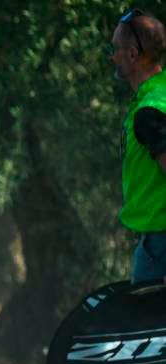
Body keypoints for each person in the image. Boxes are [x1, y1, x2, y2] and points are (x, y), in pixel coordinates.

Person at [110, 8, 166, 283]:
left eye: (115, 49)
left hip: (160, 245)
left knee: (146, 325)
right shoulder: (160, 93)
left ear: (133, 55)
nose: (112, 57)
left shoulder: (150, 110)